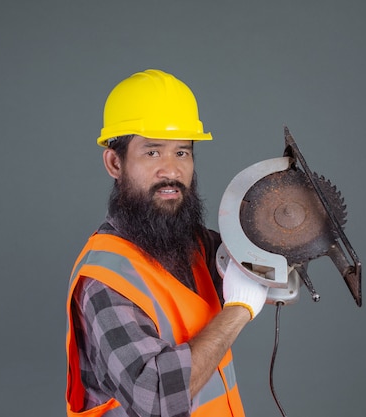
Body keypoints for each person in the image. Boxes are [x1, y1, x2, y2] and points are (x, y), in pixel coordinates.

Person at [65, 69, 269, 417]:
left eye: (182, 153)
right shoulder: (106, 281)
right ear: (115, 163)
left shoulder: (191, 244)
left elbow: (261, 252)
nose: (171, 171)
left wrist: (287, 226)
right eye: (153, 153)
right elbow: (157, 397)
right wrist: (238, 310)